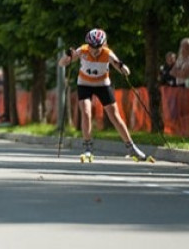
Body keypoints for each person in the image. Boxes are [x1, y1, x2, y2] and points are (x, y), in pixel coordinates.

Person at [58, 28, 153, 162]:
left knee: (114, 115)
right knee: (86, 112)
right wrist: (68, 56)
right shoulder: (83, 51)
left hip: (103, 85)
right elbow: (62, 63)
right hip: (84, 84)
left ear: (103, 44)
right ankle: (87, 148)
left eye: (97, 47)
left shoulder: (108, 54)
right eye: (91, 46)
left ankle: (132, 148)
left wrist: (123, 68)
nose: (94, 50)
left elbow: (124, 70)